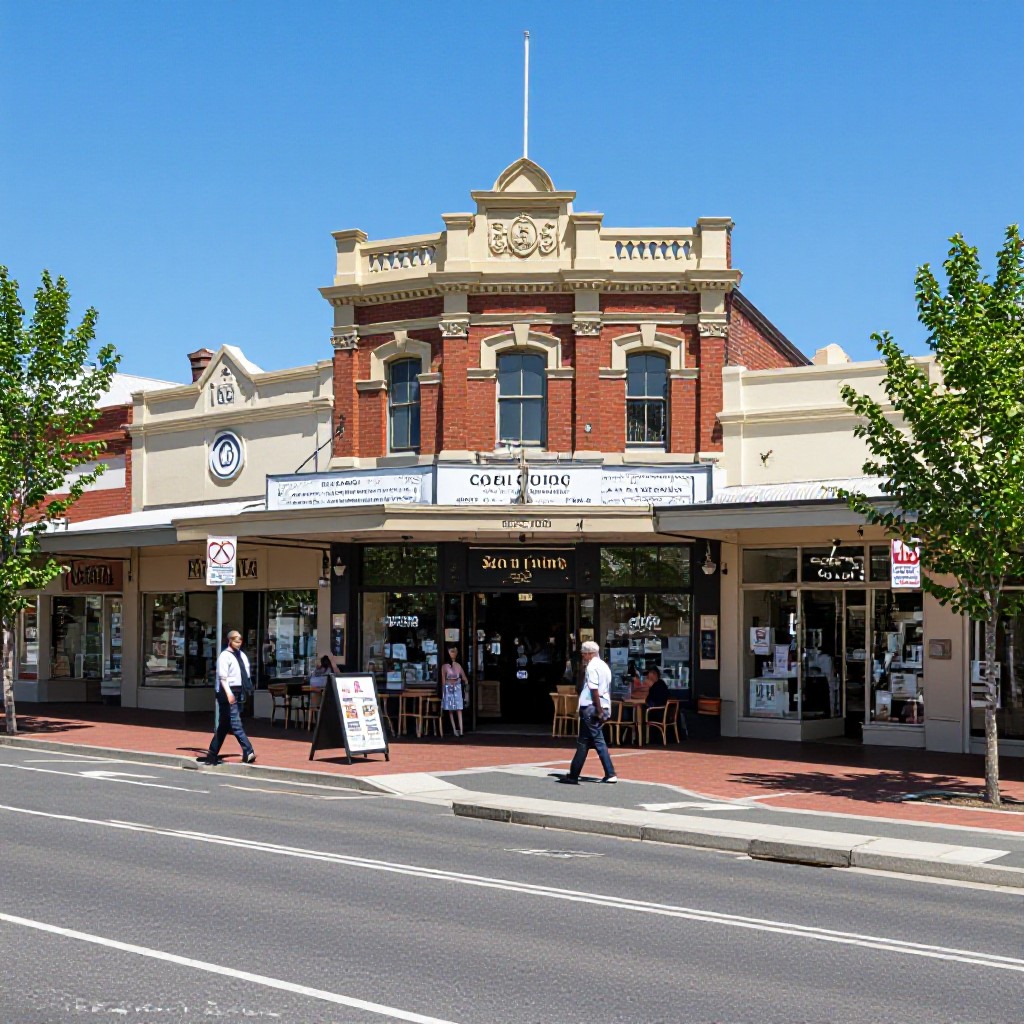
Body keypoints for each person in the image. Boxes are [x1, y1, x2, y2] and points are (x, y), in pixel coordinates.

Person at [558, 640, 617, 784]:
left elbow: (593, 689)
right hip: (601, 704)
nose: (583, 657)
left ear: (590, 654)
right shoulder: (604, 666)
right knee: (584, 741)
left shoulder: (592, 667)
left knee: (598, 741)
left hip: (592, 707)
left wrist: (599, 709)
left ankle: (610, 773)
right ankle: (573, 773)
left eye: (584, 654)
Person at [200, 630, 256, 765]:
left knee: (225, 724)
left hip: (238, 690)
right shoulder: (224, 656)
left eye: (240, 640)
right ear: (229, 640)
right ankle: (249, 750)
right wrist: (229, 693)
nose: (239, 642)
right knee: (235, 722)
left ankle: (212, 753)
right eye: (236, 640)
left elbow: (245, 674)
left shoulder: (241, 655)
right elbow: (222, 678)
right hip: (227, 692)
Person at [441, 645, 469, 736]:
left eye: (455, 652)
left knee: (459, 709)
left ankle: (461, 730)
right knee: (450, 710)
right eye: (452, 651)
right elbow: (443, 681)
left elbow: (465, 678)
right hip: (448, 688)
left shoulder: (458, 665)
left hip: (457, 687)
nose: (454, 654)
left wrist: (466, 692)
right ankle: (454, 729)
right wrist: (443, 694)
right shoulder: (444, 667)